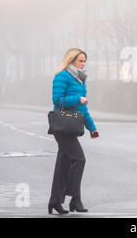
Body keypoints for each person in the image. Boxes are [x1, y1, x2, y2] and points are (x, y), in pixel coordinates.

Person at [48, 48, 99, 215]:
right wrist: (78, 99)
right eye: (80, 61)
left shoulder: (81, 79)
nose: (83, 63)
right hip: (62, 126)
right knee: (79, 159)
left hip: (72, 126)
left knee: (63, 165)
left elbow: (83, 109)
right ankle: (75, 198)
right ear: (71, 61)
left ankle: (55, 201)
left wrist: (92, 128)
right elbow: (57, 100)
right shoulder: (62, 75)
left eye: (85, 61)